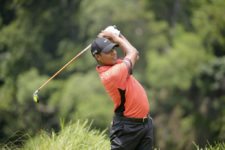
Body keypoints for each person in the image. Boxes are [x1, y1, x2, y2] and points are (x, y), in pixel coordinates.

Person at [91, 26, 153, 150]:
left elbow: (135, 54)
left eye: (114, 48)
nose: (114, 53)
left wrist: (118, 36)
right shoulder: (111, 75)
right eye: (108, 51)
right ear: (98, 57)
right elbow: (133, 53)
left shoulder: (116, 64)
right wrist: (116, 37)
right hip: (127, 128)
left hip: (145, 123)